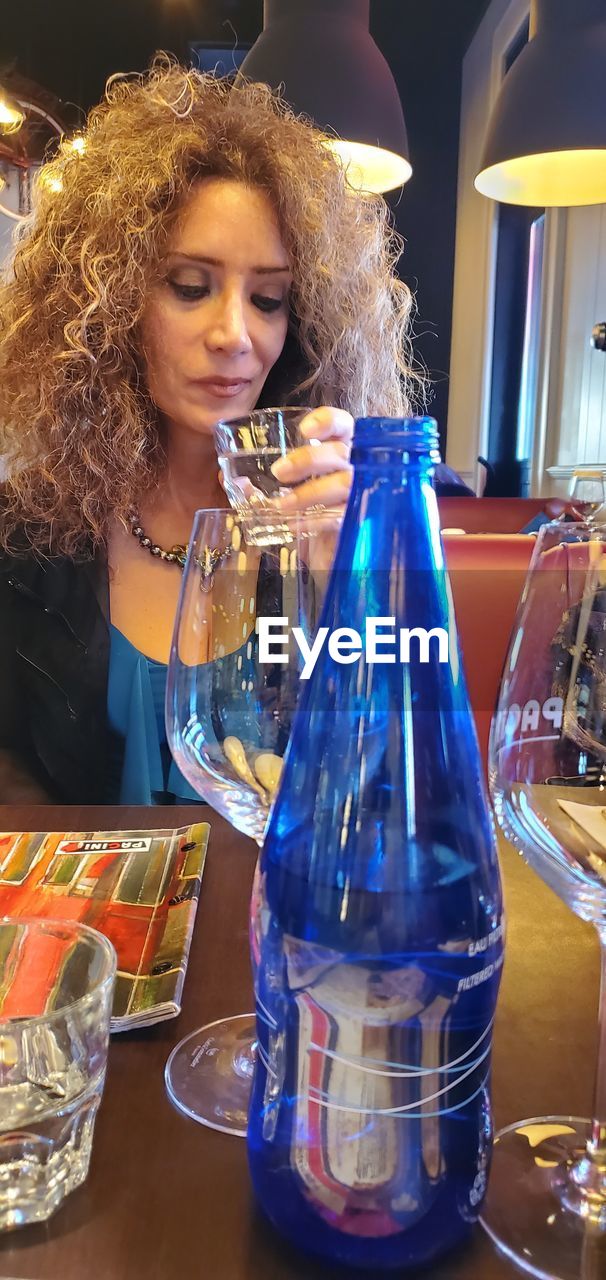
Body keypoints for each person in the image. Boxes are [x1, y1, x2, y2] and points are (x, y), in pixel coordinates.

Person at [0, 56, 421, 805]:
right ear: (112, 302)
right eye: (190, 287)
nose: (235, 334)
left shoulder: (339, 519)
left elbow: (387, 789)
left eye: (268, 299)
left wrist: (344, 584)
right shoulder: (25, 533)